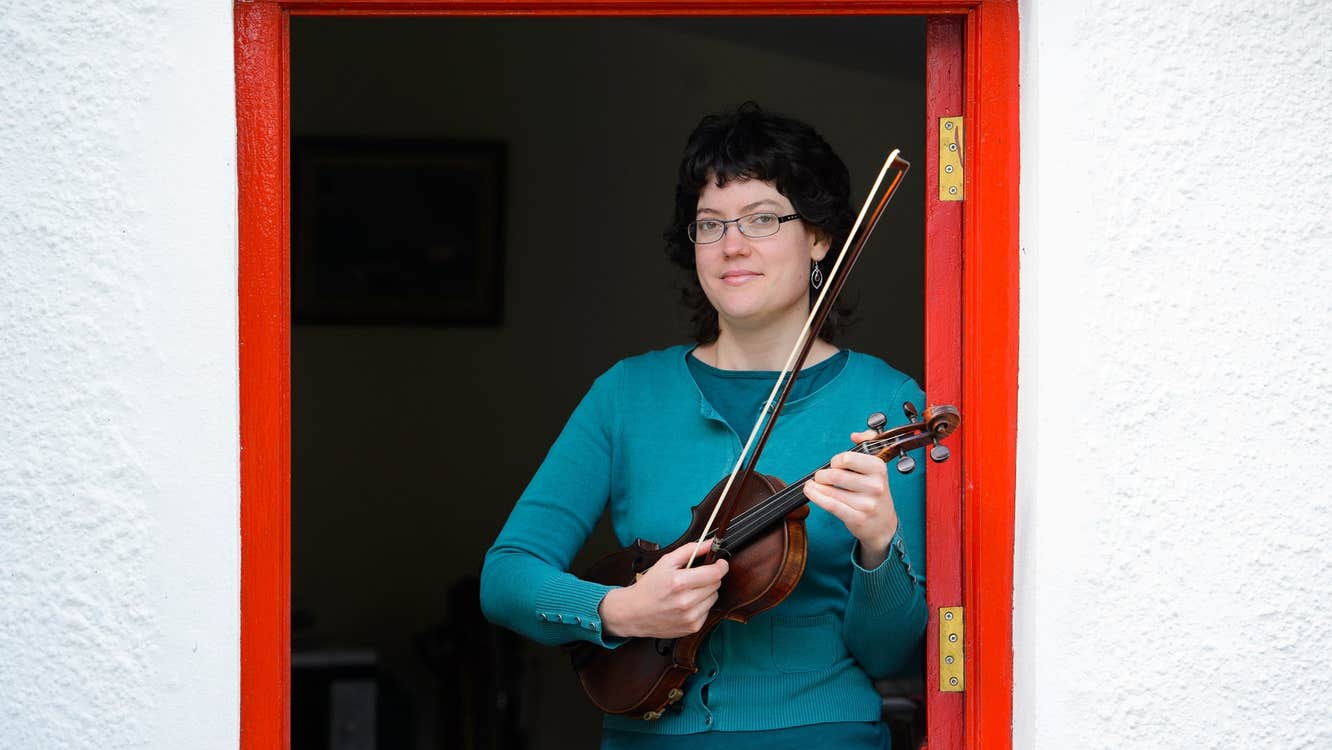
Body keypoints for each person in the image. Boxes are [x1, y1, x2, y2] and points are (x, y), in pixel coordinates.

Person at [480, 103, 927, 749]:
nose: (732, 245)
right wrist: (620, 610)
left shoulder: (886, 402)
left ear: (823, 238)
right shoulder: (627, 394)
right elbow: (506, 576)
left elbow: (889, 657)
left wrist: (879, 547)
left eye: (763, 219)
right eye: (709, 224)